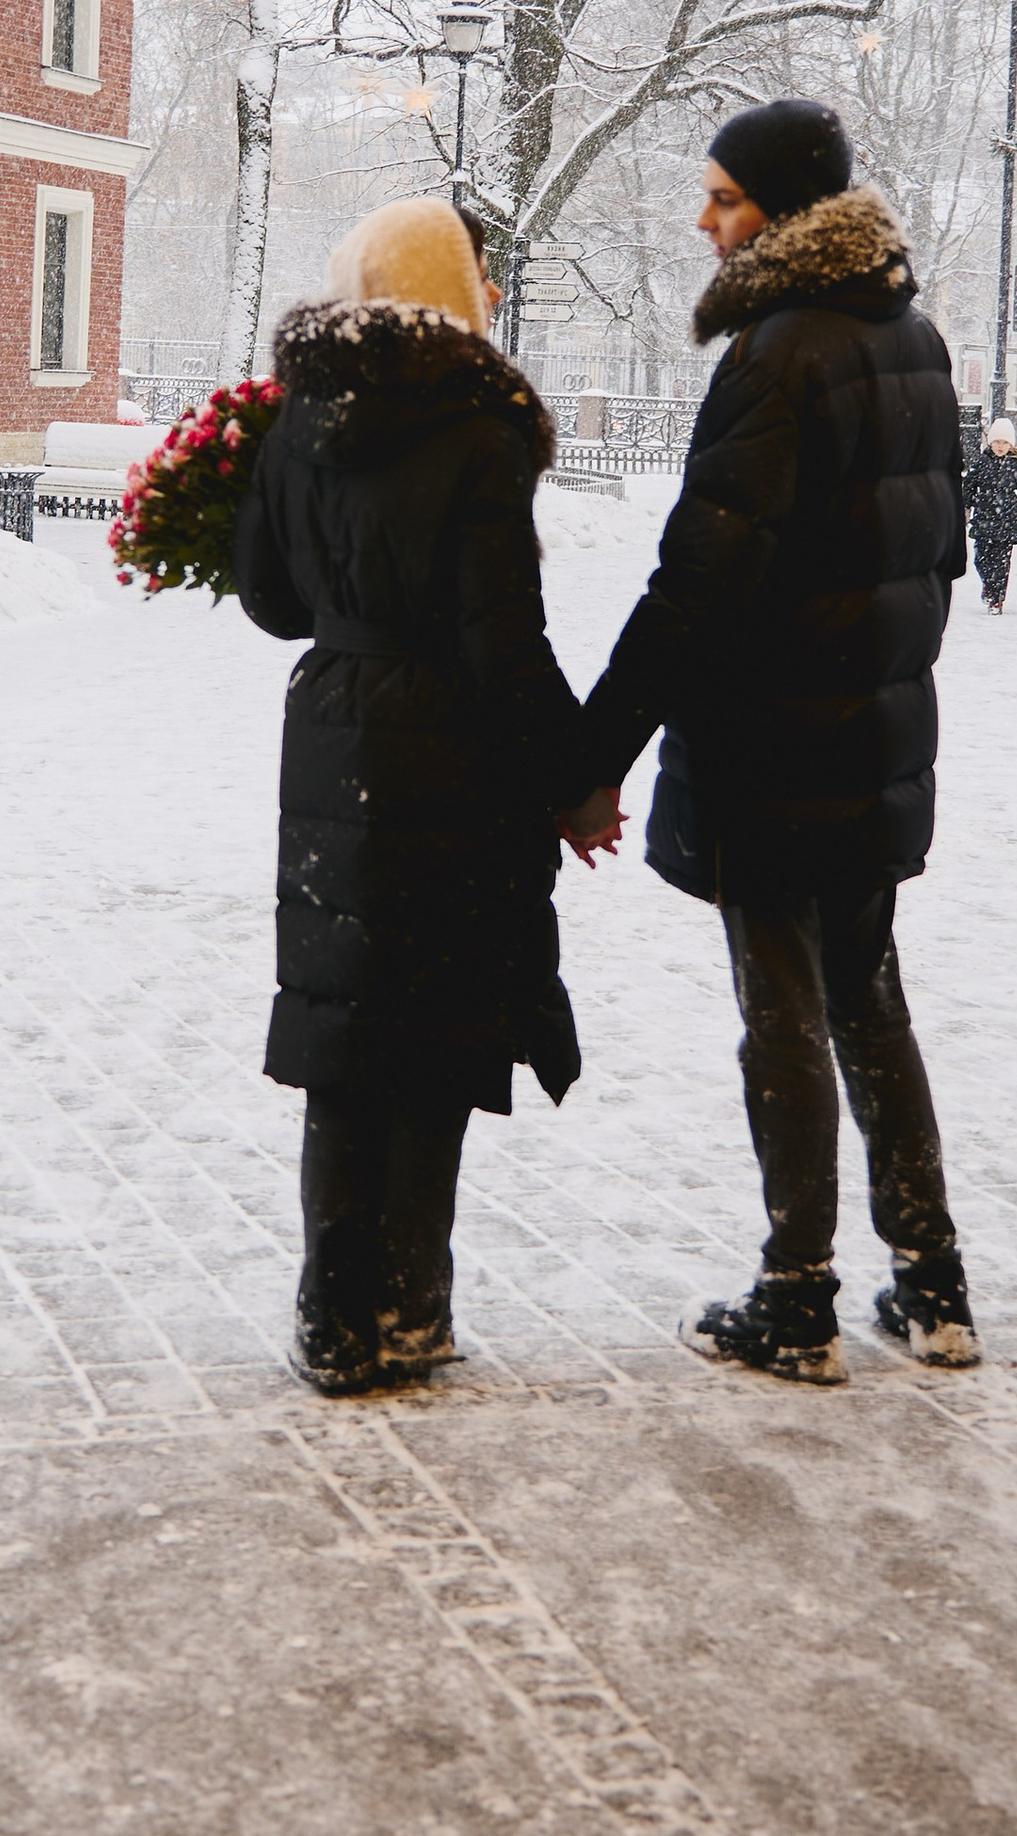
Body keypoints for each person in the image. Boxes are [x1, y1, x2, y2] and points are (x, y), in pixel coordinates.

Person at [569, 96, 979, 1382]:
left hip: (769, 745)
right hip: (873, 739)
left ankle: (796, 1295)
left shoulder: (774, 353)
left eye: (724, 199)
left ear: (786, 213)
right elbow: (938, 556)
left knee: (785, 1014)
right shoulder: (912, 338)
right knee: (870, 1001)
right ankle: (932, 1280)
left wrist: (594, 753)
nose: (703, 220)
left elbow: (696, 583)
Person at [234, 196, 595, 1395]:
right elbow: (505, 641)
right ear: (444, 285)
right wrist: (576, 778)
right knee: (432, 1026)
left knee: (344, 1029)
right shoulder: (476, 426)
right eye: (477, 275)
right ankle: (410, 1308)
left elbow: (269, 599)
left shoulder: (299, 419)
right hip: (447, 743)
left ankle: (332, 1316)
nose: (491, 295)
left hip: (332, 730)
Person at [968, 417, 1017, 612]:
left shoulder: (1016, 464)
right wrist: (966, 508)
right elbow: (968, 486)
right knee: (981, 558)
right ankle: (988, 584)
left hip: (1007, 519)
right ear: (990, 442)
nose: (1000, 446)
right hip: (984, 516)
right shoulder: (981, 462)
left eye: (1004, 442)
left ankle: (997, 598)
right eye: (997, 442)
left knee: (1002, 562)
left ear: (1010, 444)